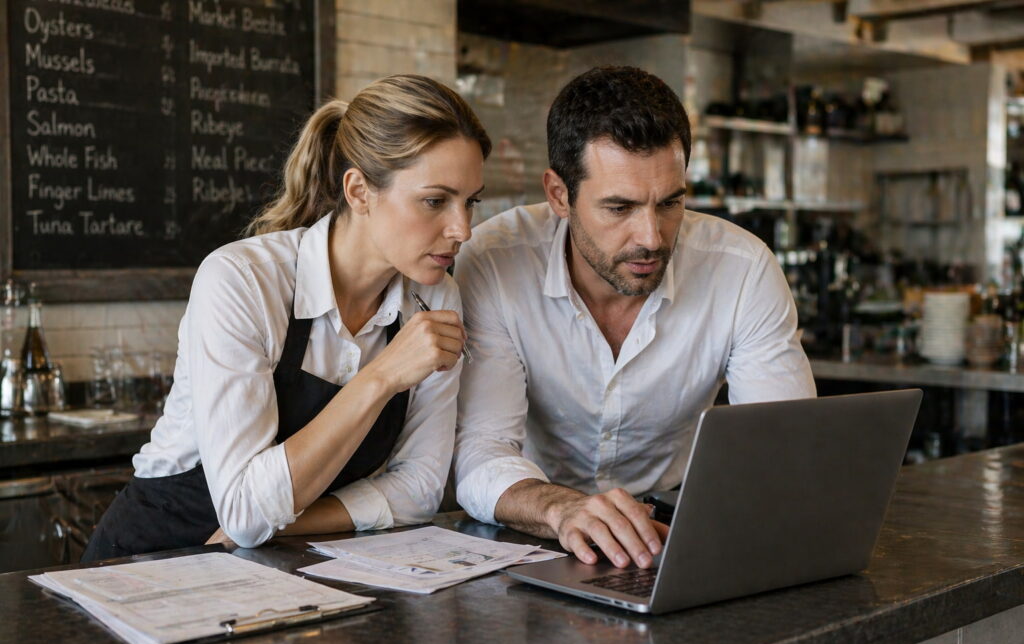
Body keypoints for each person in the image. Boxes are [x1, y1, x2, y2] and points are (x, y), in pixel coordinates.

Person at [82, 75, 491, 562]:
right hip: (155, 558)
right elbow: (243, 509)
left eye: (471, 202)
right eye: (435, 201)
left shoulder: (435, 297)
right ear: (359, 191)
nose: (462, 229)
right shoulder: (243, 281)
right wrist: (382, 377)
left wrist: (286, 528)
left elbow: (420, 487)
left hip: (286, 559)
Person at [452, 66, 814, 570]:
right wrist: (562, 508)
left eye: (670, 203)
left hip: (673, 531)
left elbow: (785, 445)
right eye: (619, 208)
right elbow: (481, 453)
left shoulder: (743, 268)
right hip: (535, 532)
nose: (651, 237)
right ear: (559, 195)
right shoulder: (494, 262)